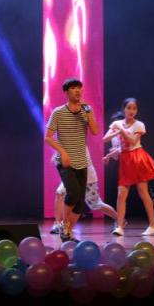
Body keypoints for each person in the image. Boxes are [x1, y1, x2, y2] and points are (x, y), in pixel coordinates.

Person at [45, 78, 99, 242]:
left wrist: (89, 114)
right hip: (65, 161)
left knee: (80, 203)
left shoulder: (86, 111)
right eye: (74, 88)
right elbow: (48, 137)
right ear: (66, 92)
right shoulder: (58, 112)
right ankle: (63, 227)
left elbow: (95, 131)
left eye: (79, 88)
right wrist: (63, 152)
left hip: (82, 161)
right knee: (73, 193)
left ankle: (67, 232)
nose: (78, 91)